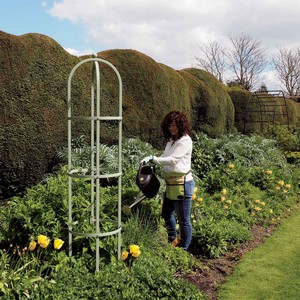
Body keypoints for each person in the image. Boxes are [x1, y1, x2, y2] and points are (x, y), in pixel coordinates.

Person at [141, 110, 195, 251]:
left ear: (181, 125)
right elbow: (165, 156)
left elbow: (173, 160)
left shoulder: (185, 140)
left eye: (175, 125)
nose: (172, 128)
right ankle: (173, 240)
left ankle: (184, 249)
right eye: (170, 125)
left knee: (184, 220)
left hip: (183, 183)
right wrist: (155, 163)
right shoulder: (171, 140)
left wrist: (154, 159)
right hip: (171, 183)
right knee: (166, 213)